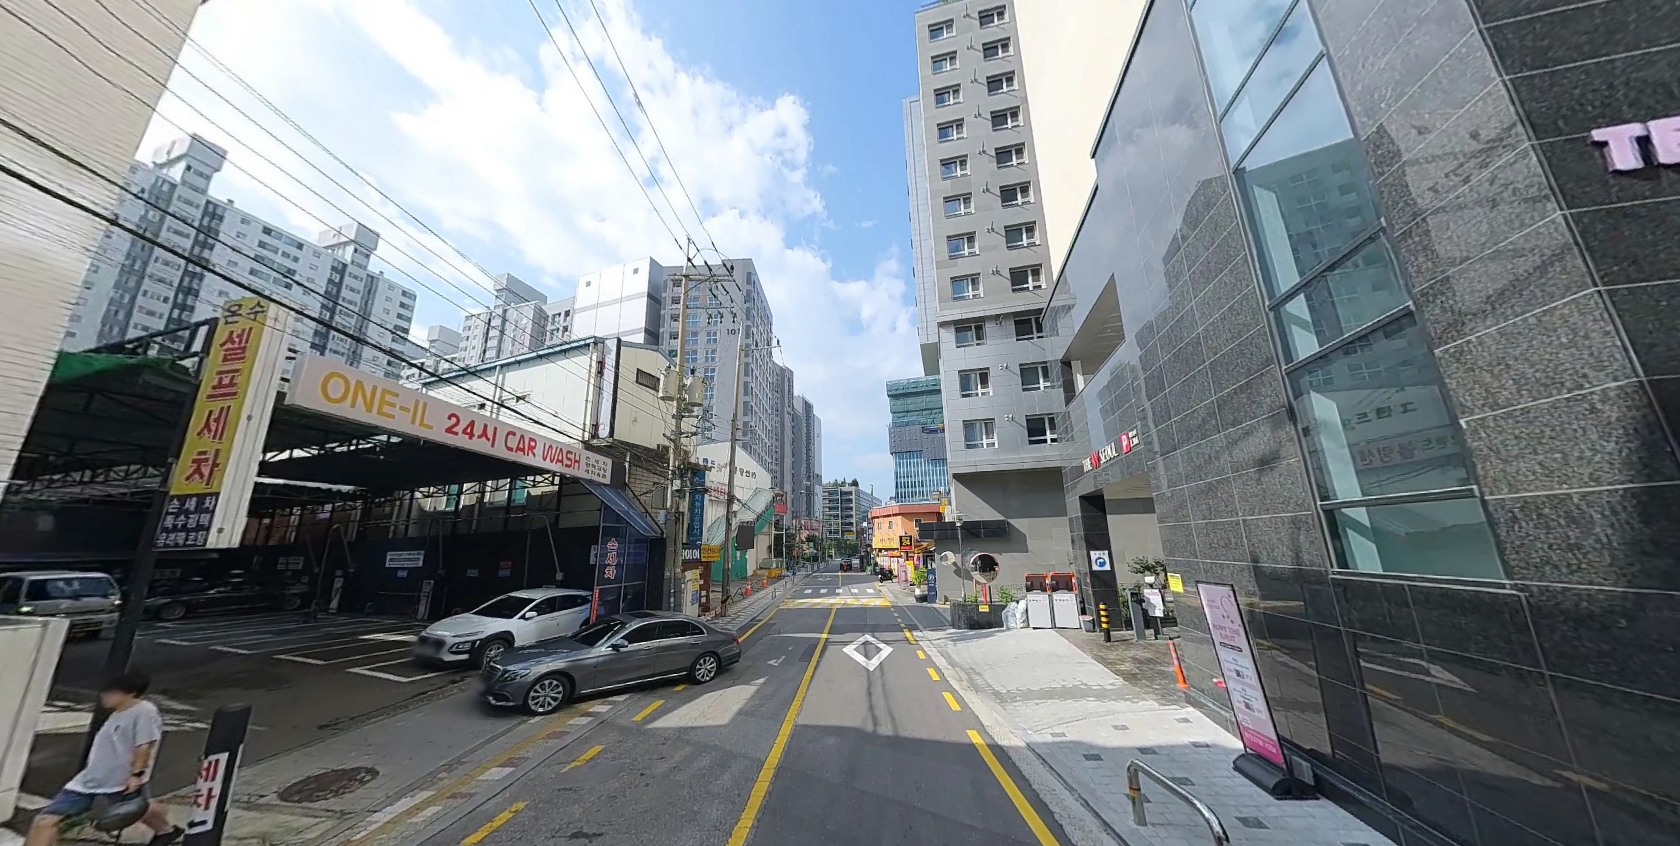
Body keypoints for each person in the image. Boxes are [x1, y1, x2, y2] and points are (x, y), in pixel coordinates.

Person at [28, 671, 182, 846]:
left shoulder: (144, 711)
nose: (104, 696)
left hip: (119, 781)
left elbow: (144, 746)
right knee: (46, 821)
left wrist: (136, 775)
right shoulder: (118, 713)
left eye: (112, 693)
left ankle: (166, 830)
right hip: (91, 780)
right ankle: (166, 830)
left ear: (131, 693)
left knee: (135, 808)